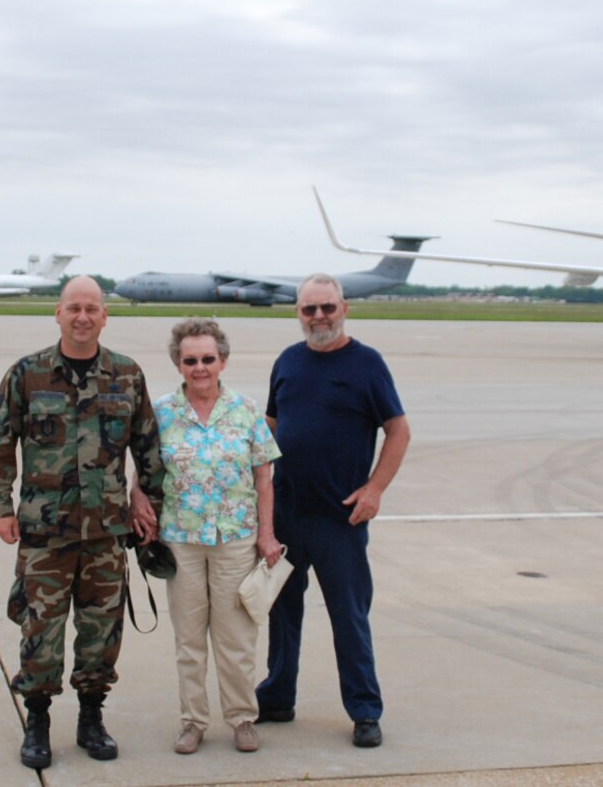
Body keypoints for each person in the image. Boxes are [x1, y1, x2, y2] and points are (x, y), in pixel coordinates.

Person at [0, 276, 164, 770]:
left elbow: (149, 449)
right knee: (41, 632)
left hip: (105, 534)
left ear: (105, 316)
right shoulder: (28, 374)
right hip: (44, 535)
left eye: (92, 309)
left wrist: (149, 503)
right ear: (57, 313)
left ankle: (91, 717)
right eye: (74, 308)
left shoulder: (127, 375)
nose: (83, 317)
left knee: (102, 633)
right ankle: (37, 720)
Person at [254, 273, 411, 749]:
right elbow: (271, 425)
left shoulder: (366, 364)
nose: (319, 317)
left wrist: (375, 489)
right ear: (298, 313)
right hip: (286, 513)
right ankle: (278, 697)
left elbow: (398, 430)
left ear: (344, 308)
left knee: (348, 615)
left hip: (340, 517)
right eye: (309, 310)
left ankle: (364, 710)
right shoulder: (288, 361)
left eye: (327, 308)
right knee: (281, 611)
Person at [147, 319, 285, 756]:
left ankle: (242, 718)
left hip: (235, 541)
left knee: (236, 638)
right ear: (178, 363)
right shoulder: (161, 412)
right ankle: (192, 721)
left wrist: (267, 535)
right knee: (189, 639)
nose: (200, 367)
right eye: (191, 360)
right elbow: (145, 473)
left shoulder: (245, 409)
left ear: (222, 361)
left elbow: (265, 477)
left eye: (208, 359)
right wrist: (139, 505)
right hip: (181, 541)